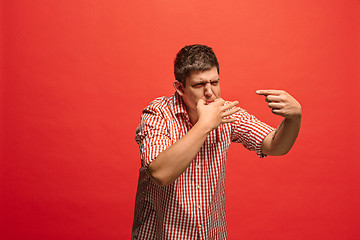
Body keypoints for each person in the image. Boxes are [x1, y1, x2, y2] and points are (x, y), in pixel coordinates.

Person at [132, 44, 301, 239]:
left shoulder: (226, 112)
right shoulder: (157, 113)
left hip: (210, 234)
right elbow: (160, 173)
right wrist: (205, 125)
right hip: (163, 234)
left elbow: (275, 146)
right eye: (199, 85)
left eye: (215, 82)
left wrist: (293, 119)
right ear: (180, 88)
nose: (210, 92)